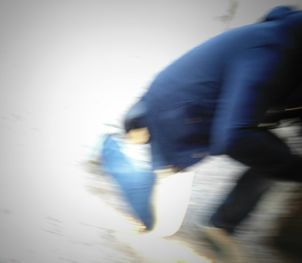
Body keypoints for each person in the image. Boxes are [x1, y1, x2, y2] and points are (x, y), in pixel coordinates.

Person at [123, 5, 302, 259]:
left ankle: (219, 226)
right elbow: (233, 137)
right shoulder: (271, 48)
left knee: (276, 155)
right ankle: (120, 148)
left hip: (206, 114)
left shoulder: (292, 51)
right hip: (174, 115)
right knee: (159, 227)